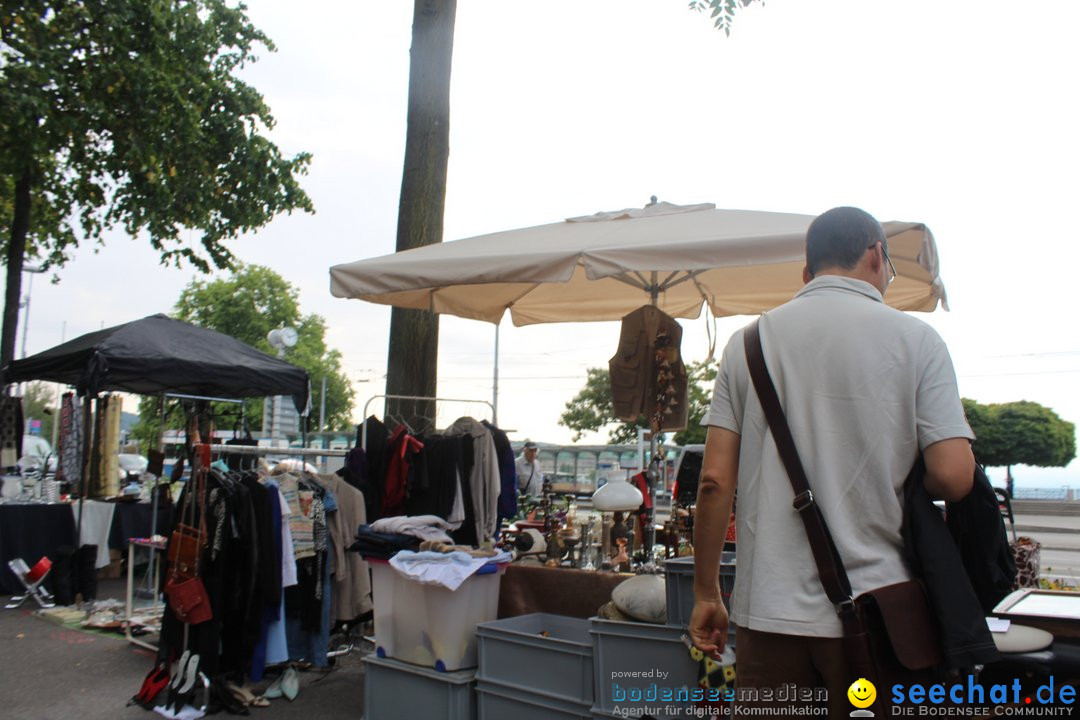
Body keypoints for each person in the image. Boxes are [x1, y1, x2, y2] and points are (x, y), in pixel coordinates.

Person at [689, 206, 975, 714]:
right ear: (875, 256)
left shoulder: (746, 344)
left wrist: (707, 592)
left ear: (807, 272)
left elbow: (714, 481)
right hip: (878, 614)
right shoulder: (919, 342)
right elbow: (954, 476)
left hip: (767, 615)